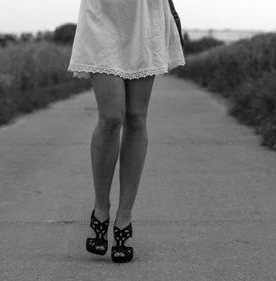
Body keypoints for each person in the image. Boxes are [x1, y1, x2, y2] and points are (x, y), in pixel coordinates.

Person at [68, 0, 185, 263]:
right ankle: (101, 208)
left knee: (135, 117)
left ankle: (124, 216)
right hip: (101, 12)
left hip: (145, 14)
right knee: (110, 117)